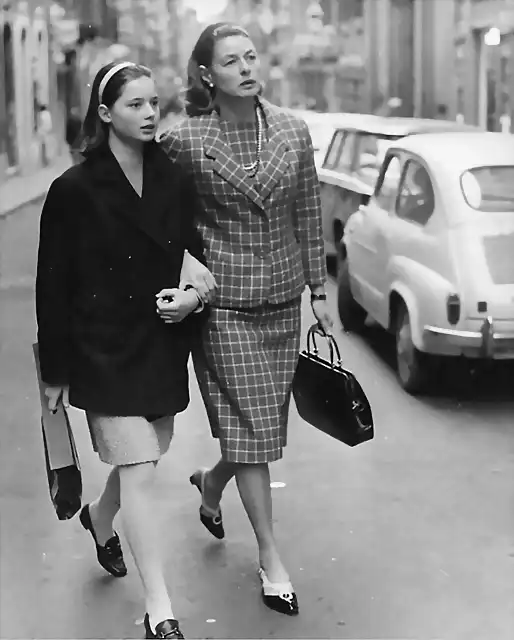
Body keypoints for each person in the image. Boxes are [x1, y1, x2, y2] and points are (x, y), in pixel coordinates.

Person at [159, 22, 334, 617]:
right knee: (257, 434)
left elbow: (309, 210)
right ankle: (270, 556)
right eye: (231, 60)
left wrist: (320, 289)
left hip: (283, 300)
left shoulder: (292, 129)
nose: (245, 67)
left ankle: (211, 483)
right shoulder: (185, 141)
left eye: (251, 57)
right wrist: (181, 260)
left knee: (258, 429)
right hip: (225, 304)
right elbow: (153, 209)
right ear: (207, 73)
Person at [36, 60, 207, 640]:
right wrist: (56, 370)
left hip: (160, 344)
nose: (149, 113)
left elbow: (193, 255)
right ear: (105, 113)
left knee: (147, 456)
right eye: (135, 104)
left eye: (154, 102)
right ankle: (160, 607)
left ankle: (100, 519)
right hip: (101, 351)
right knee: (137, 468)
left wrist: (190, 298)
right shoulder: (74, 189)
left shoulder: (173, 179)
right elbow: (51, 284)